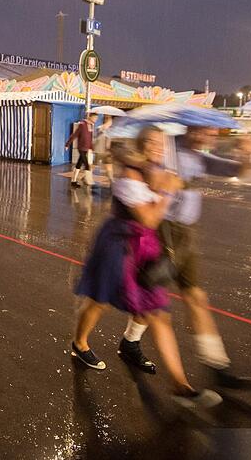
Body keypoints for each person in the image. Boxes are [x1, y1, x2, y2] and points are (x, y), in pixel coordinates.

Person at [71, 127, 221, 409]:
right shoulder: (130, 175)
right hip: (119, 245)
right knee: (100, 302)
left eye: (161, 143)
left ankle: (180, 385)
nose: (157, 147)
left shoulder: (157, 170)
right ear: (141, 144)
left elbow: (174, 202)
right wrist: (166, 191)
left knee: (157, 313)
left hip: (147, 247)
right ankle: (80, 343)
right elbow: (150, 218)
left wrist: (173, 186)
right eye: (151, 142)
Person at [162, 126, 251, 388]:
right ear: (194, 131)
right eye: (210, 133)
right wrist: (175, 182)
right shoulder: (167, 150)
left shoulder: (199, 156)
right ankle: (130, 342)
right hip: (162, 233)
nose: (214, 138)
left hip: (185, 234)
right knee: (151, 305)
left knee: (195, 297)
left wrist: (246, 154)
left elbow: (236, 170)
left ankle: (218, 366)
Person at [65, 113, 97, 187]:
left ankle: (74, 181)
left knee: (79, 164)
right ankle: (88, 180)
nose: (95, 119)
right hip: (81, 148)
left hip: (86, 148)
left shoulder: (91, 126)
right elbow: (75, 135)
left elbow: (90, 138)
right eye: (94, 118)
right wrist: (67, 144)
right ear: (90, 117)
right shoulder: (82, 124)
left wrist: (91, 148)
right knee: (87, 165)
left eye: (96, 118)